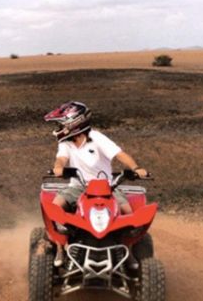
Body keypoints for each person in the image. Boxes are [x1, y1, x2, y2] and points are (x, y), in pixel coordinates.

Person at [44, 101, 148, 267]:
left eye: (61, 124)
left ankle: (127, 250)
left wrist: (136, 168)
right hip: (78, 186)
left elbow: (119, 154)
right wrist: (58, 167)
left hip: (107, 187)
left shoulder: (97, 138)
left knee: (129, 213)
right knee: (55, 208)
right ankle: (60, 248)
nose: (58, 128)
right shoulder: (65, 143)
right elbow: (61, 158)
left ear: (74, 123)